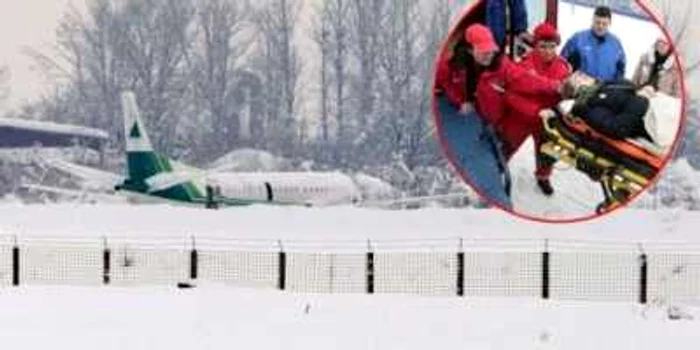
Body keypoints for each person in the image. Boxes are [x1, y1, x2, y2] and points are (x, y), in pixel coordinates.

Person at [503, 22, 572, 196]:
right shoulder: (524, 65)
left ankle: (543, 177)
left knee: (546, 153)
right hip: (521, 118)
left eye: (552, 46)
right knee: (507, 147)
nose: (548, 51)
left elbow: (564, 97)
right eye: (542, 46)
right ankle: (497, 171)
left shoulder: (563, 68)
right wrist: (535, 110)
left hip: (547, 122)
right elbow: (511, 96)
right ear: (535, 45)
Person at [561, 6, 626, 82]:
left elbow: (621, 67)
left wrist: (617, 85)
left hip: (606, 89)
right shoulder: (578, 39)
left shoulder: (616, 43)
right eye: (598, 22)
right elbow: (562, 62)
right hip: (582, 89)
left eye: (604, 24)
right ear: (592, 20)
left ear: (610, 23)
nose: (600, 26)